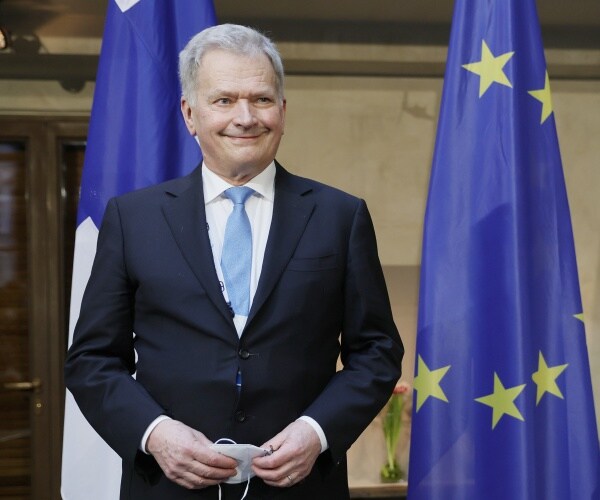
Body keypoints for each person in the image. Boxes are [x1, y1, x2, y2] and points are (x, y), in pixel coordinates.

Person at [65, 23, 403, 500]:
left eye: (261, 99)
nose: (245, 117)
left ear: (283, 112)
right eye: (223, 100)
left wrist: (317, 431)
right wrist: (155, 433)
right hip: (168, 486)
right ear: (189, 113)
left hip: (302, 487)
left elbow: (377, 352)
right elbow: (92, 360)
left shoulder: (339, 216)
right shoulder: (133, 218)